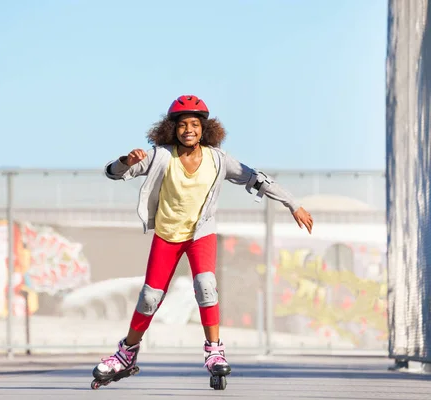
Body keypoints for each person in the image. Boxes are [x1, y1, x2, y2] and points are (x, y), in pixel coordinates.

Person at [92, 94, 313, 384]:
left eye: (194, 124)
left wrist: (293, 204)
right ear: (172, 129)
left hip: (200, 234)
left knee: (205, 285)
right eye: (182, 125)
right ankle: (126, 354)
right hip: (167, 235)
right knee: (149, 298)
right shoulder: (160, 156)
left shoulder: (217, 160)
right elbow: (114, 173)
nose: (188, 130)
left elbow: (256, 178)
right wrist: (125, 161)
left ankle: (214, 351)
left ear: (204, 129)